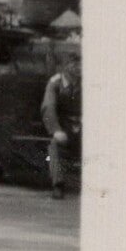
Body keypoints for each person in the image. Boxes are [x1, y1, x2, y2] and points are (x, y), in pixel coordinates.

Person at [42, 45, 82, 200]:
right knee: (54, 146)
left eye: (80, 64)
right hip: (64, 126)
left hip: (84, 126)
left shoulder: (87, 82)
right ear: (65, 66)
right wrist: (56, 130)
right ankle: (58, 184)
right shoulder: (55, 83)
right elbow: (48, 107)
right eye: (74, 64)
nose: (78, 67)